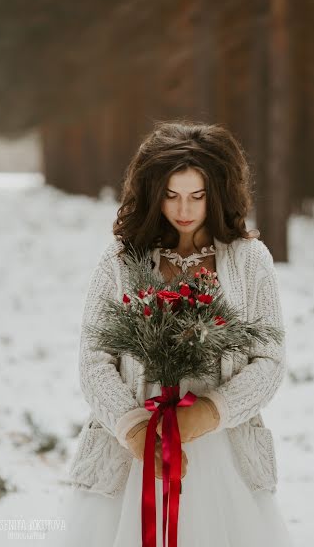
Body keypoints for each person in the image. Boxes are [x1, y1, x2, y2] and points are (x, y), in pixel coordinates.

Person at [60, 120, 295, 546]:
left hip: (223, 448)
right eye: (171, 195)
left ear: (218, 194)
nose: (183, 209)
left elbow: (269, 361)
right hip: (132, 452)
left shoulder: (250, 259)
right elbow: (93, 362)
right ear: (152, 193)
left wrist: (207, 412)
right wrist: (134, 429)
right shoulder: (119, 259)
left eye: (197, 196)